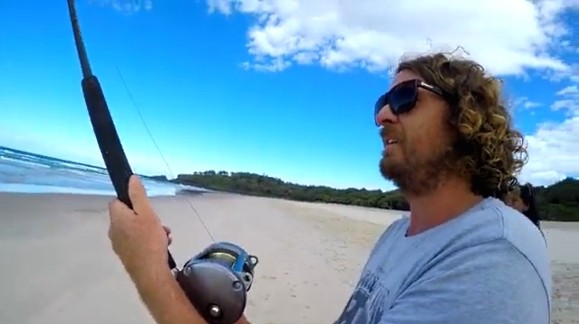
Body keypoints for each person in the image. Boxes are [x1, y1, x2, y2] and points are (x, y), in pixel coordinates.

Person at [108, 52, 551, 324]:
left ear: (464, 117)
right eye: (382, 103)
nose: (382, 117)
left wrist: (148, 272)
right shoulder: (399, 235)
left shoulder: (494, 258)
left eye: (404, 98)